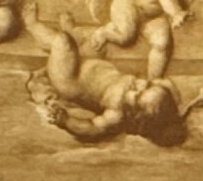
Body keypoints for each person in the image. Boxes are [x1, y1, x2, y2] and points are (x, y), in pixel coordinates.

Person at [29, 28, 190, 146]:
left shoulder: (116, 113)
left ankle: (31, 25)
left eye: (137, 94)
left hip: (70, 80)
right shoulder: (140, 96)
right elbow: (165, 84)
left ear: (132, 114)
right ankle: (69, 31)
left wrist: (66, 121)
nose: (139, 85)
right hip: (89, 64)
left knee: (63, 41)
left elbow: (92, 128)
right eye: (147, 86)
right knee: (94, 40)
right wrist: (175, 114)